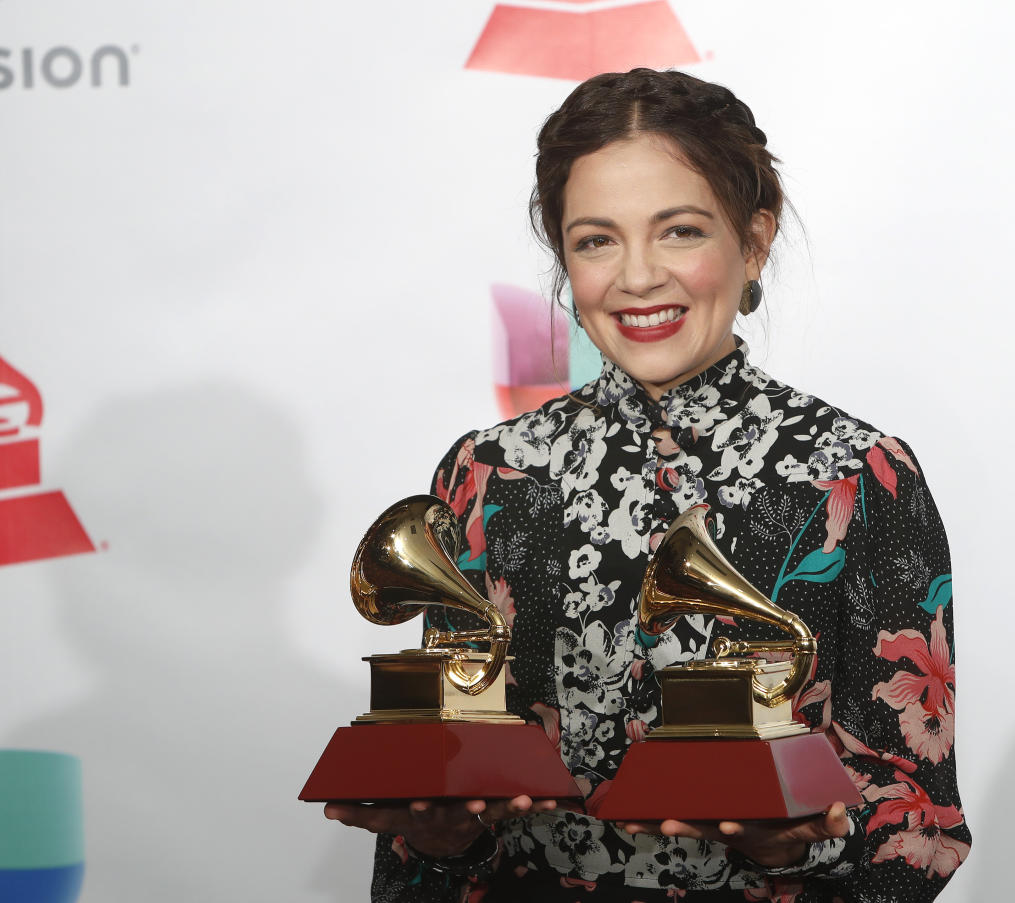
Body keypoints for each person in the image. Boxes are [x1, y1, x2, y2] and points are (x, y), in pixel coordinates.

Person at [326, 68, 970, 902]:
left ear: (755, 240)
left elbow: (918, 830)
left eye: (678, 232)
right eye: (596, 240)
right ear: (564, 259)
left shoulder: (859, 474)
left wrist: (786, 855)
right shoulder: (485, 475)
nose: (636, 278)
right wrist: (445, 841)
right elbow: (439, 797)